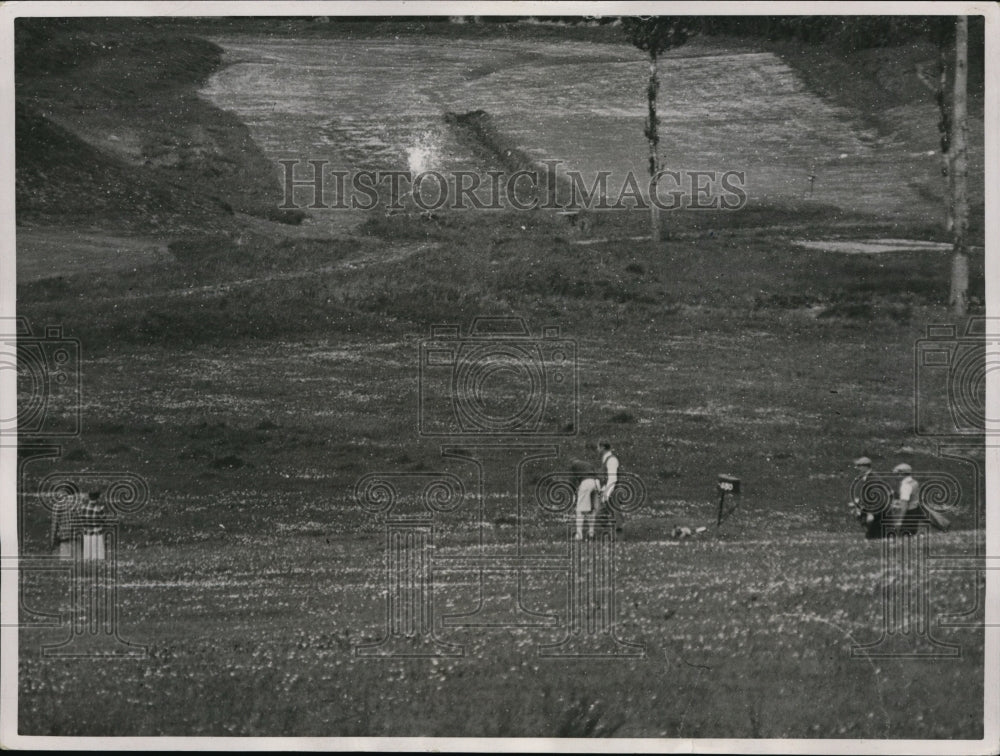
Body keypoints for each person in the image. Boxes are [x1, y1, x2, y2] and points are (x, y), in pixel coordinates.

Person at [571, 461, 602, 541]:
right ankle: (591, 533)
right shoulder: (588, 464)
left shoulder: (573, 467)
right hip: (596, 483)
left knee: (579, 511)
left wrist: (574, 495)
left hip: (586, 483)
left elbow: (572, 482)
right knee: (592, 510)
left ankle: (579, 535)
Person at [596, 439, 621, 533]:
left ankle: (617, 534)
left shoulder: (612, 460)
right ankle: (614, 532)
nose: (597, 449)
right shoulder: (606, 459)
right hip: (608, 489)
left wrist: (607, 493)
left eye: (598, 447)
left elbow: (612, 478)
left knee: (612, 512)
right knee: (607, 513)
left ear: (602, 447)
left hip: (612, 489)